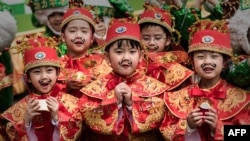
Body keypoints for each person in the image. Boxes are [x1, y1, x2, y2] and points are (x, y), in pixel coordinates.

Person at [78, 18, 168, 141]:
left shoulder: (155, 87)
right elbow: (89, 117)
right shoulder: (94, 89)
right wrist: (114, 101)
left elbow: (159, 117)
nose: (126, 57)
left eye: (132, 52)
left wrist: (132, 103)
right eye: (119, 52)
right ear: (107, 57)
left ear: (141, 56)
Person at [159, 20, 250, 140]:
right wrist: (188, 127)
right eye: (201, 56)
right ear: (192, 62)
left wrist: (218, 128)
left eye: (214, 56)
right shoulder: (177, 98)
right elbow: (165, 131)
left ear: (225, 62)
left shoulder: (242, 99)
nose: (207, 62)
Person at [1, 36, 82, 141]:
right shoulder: (20, 109)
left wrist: (57, 119)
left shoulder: (72, 103)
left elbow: (76, 135)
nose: (44, 77)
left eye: (49, 70)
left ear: (57, 73)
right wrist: (26, 122)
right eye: (37, 72)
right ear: (28, 77)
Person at [59, 2, 112, 98]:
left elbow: (113, 87)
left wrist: (97, 85)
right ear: (63, 37)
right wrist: (66, 87)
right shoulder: (57, 66)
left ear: (92, 38)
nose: (78, 35)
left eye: (84, 31)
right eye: (72, 31)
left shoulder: (101, 61)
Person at [138, 3, 193, 91]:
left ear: (167, 40)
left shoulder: (177, 67)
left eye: (158, 38)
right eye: (146, 38)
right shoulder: (135, 62)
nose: (151, 42)